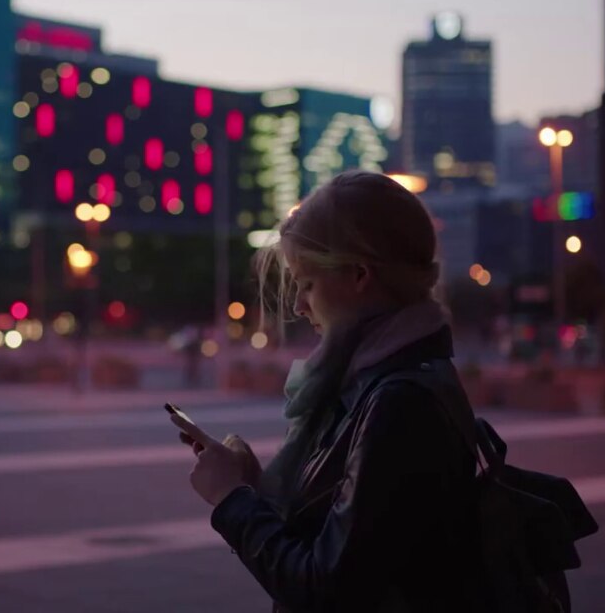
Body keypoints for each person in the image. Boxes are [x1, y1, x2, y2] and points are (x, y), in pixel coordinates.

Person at [170, 171, 484, 612]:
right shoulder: (387, 379)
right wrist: (254, 484)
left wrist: (232, 499)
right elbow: (352, 537)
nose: (299, 306)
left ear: (359, 274)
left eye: (307, 284)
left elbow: (325, 588)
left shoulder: (398, 402)